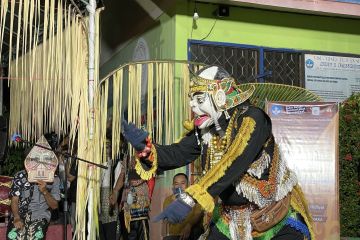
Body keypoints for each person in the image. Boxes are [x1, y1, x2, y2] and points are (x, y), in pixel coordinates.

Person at [122, 65, 315, 240]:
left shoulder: (252, 119)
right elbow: (177, 153)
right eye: (191, 100)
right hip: (230, 220)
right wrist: (147, 149)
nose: (192, 106)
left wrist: (191, 198)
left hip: (273, 218)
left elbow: (233, 161)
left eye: (199, 99)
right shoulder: (205, 130)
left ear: (220, 96)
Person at [7, 172, 60, 239]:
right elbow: (14, 200)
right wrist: (16, 217)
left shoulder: (53, 178)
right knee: (12, 236)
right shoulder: (20, 175)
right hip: (19, 213)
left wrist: (44, 191)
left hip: (40, 214)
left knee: (36, 236)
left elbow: (54, 206)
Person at [162, 173, 203, 240]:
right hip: (175, 235)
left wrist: (189, 225)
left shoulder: (196, 198)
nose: (179, 187)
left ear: (188, 184)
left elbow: (198, 214)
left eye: (182, 183)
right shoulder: (168, 200)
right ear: (173, 186)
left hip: (193, 233)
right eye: (176, 184)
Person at [98, 139, 124, 240]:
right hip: (98, 200)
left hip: (110, 198)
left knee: (110, 229)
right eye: (103, 146)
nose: (105, 149)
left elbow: (119, 181)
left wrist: (114, 193)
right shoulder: (96, 162)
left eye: (108, 146)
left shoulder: (116, 162)